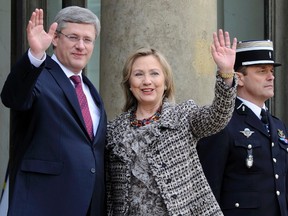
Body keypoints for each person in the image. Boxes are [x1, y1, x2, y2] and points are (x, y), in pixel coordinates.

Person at [105, 29, 237, 215]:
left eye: (154, 74)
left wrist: (226, 73)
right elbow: (109, 191)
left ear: (166, 82)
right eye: (138, 74)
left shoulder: (183, 117)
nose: (147, 81)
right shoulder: (113, 131)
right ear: (129, 83)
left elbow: (218, 117)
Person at [1, 6, 107, 216]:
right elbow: (12, 97)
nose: (80, 46)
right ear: (56, 39)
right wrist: (35, 55)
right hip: (43, 204)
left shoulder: (90, 91)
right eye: (73, 37)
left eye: (88, 40)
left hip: (88, 206)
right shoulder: (39, 76)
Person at [197, 40, 288, 216]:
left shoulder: (278, 126)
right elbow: (207, 188)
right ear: (239, 78)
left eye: (271, 71)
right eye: (262, 71)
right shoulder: (221, 123)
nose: (271, 77)